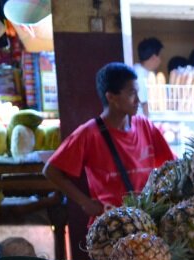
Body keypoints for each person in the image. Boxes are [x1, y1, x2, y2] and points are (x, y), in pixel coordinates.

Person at [44, 62, 173, 223]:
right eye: (131, 93)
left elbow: (171, 166)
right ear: (111, 97)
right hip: (110, 225)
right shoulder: (89, 133)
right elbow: (50, 170)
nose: (138, 100)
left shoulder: (145, 126)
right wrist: (85, 202)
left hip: (146, 223)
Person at [133, 37, 163, 116]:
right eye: (160, 56)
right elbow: (144, 103)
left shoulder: (143, 71)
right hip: (141, 120)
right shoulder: (139, 75)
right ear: (153, 57)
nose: (160, 60)